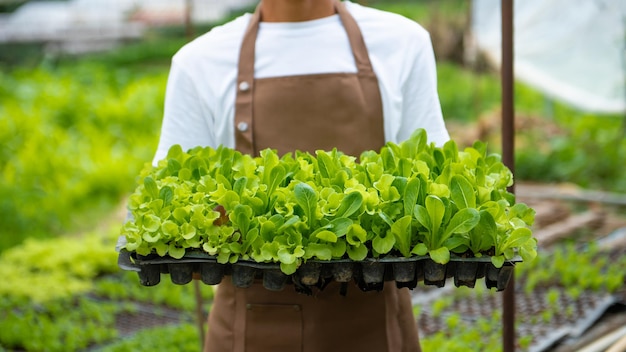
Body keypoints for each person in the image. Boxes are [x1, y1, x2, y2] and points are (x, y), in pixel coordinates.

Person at [153, 1, 450, 351]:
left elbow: (434, 189)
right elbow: (174, 209)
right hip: (250, 333)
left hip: (375, 329)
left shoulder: (402, 42)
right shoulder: (200, 61)